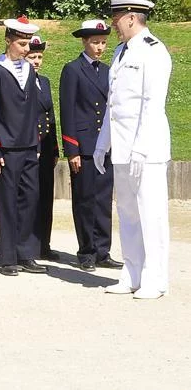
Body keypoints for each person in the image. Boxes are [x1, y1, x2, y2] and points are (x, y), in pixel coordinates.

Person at [95, 0, 172, 300]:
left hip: (146, 150)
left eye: (116, 19)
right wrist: (102, 143)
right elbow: (114, 104)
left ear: (130, 17)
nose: (113, 25)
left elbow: (153, 104)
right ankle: (132, 273)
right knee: (127, 212)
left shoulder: (154, 51)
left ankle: (156, 278)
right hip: (122, 147)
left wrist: (141, 147)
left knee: (151, 213)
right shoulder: (120, 52)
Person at [0, 16, 45, 277]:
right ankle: (7, 257)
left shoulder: (28, 70)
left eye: (28, 44)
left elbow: (33, 109)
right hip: (6, 147)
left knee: (30, 198)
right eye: (21, 43)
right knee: (7, 202)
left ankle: (25, 252)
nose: (26, 49)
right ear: (8, 41)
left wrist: (36, 141)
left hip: (28, 145)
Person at [60, 19, 121, 272]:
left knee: (103, 199)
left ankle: (103, 250)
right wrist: (71, 150)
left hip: (105, 144)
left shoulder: (109, 70)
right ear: (84, 42)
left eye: (103, 42)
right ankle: (86, 251)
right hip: (84, 145)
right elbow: (68, 111)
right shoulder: (72, 70)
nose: (100, 47)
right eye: (95, 42)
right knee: (85, 199)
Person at [27, 35, 60, 261]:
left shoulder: (44, 82)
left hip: (46, 147)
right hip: (30, 145)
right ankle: (29, 244)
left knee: (46, 196)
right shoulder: (20, 81)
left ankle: (44, 244)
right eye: (32, 57)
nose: (37, 61)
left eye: (39, 57)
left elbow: (51, 116)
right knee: (30, 197)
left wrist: (55, 147)